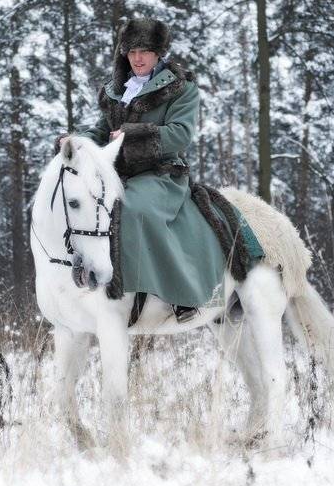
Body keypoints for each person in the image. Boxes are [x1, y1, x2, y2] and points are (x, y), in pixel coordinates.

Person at [58, 18, 235, 321]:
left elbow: (180, 134)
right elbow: (102, 131)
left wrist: (131, 135)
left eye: (145, 52)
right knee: (85, 204)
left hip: (162, 173)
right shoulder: (117, 91)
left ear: (158, 53)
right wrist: (76, 141)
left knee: (134, 207)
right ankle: (88, 269)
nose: (138, 58)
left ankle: (181, 294)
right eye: (132, 52)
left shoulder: (181, 89)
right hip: (120, 174)